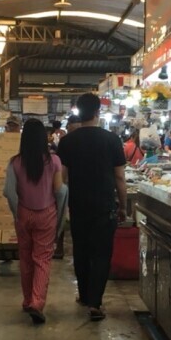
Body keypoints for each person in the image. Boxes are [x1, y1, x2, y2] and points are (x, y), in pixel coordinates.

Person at [57, 92, 127, 321]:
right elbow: (119, 178)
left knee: (81, 250)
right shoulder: (112, 140)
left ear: (79, 112)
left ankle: (85, 295)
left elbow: (63, 178)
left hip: (78, 206)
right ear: (98, 112)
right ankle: (95, 302)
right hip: (104, 206)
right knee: (101, 254)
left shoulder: (67, 141)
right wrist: (123, 205)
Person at [2, 119, 65, 324]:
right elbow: (59, 190)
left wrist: (16, 213)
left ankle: (27, 299)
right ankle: (37, 302)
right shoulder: (54, 161)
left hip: (23, 213)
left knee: (26, 258)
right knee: (42, 258)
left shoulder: (15, 162)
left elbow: (9, 192)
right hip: (46, 214)